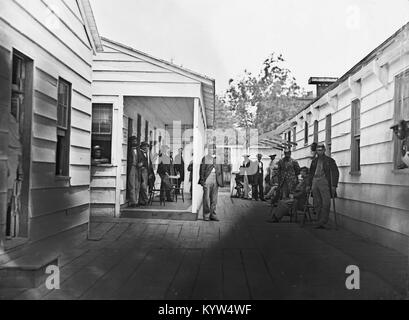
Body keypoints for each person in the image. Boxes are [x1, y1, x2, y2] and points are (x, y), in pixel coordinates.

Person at [308, 144, 340, 229]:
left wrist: (334, 185)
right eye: (318, 150)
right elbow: (310, 174)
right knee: (317, 203)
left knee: (326, 202)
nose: (319, 152)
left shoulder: (330, 161)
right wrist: (309, 184)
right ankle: (319, 221)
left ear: (324, 150)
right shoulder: (314, 161)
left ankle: (323, 221)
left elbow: (335, 173)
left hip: (325, 182)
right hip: (315, 181)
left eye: (321, 150)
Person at [199, 144, 224, 221]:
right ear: (208, 150)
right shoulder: (205, 158)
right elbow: (202, 170)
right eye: (211, 149)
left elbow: (221, 170)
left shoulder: (219, 158)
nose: (212, 150)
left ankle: (213, 215)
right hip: (207, 178)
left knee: (214, 198)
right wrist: (202, 181)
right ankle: (206, 215)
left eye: (214, 149)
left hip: (216, 179)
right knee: (206, 198)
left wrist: (220, 181)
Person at [128, 137, 146, 207]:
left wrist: (141, 163)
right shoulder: (129, 150)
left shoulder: (139, 151)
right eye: (133, 141)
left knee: (137, 185)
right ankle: (133, 202)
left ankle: (136, 200)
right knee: (132, 184)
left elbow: (142, 160)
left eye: (136, 141)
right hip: (132, 167)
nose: (135, 142)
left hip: (138, 169)